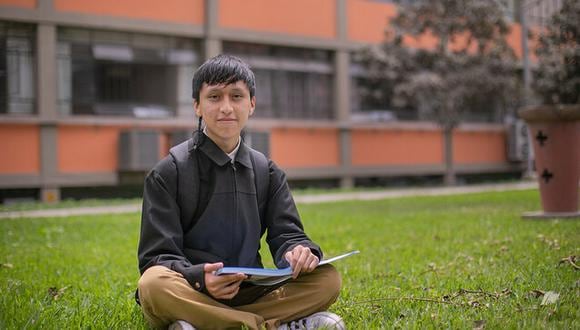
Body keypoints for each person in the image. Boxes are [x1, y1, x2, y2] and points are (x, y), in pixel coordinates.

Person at [136, 54, 343, 330]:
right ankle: (268, 325)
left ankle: (206, 324)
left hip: (250, 291)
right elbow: (157, 256)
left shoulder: (266, 172)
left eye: (236, 96)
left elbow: (288, 234)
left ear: (252, 104)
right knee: (153, 284)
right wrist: (200, 278)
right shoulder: (168, 172)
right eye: (214, 97)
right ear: (197, 105)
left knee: (327, 279)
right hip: (192, 288)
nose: (226, 108)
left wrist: (299, 251)